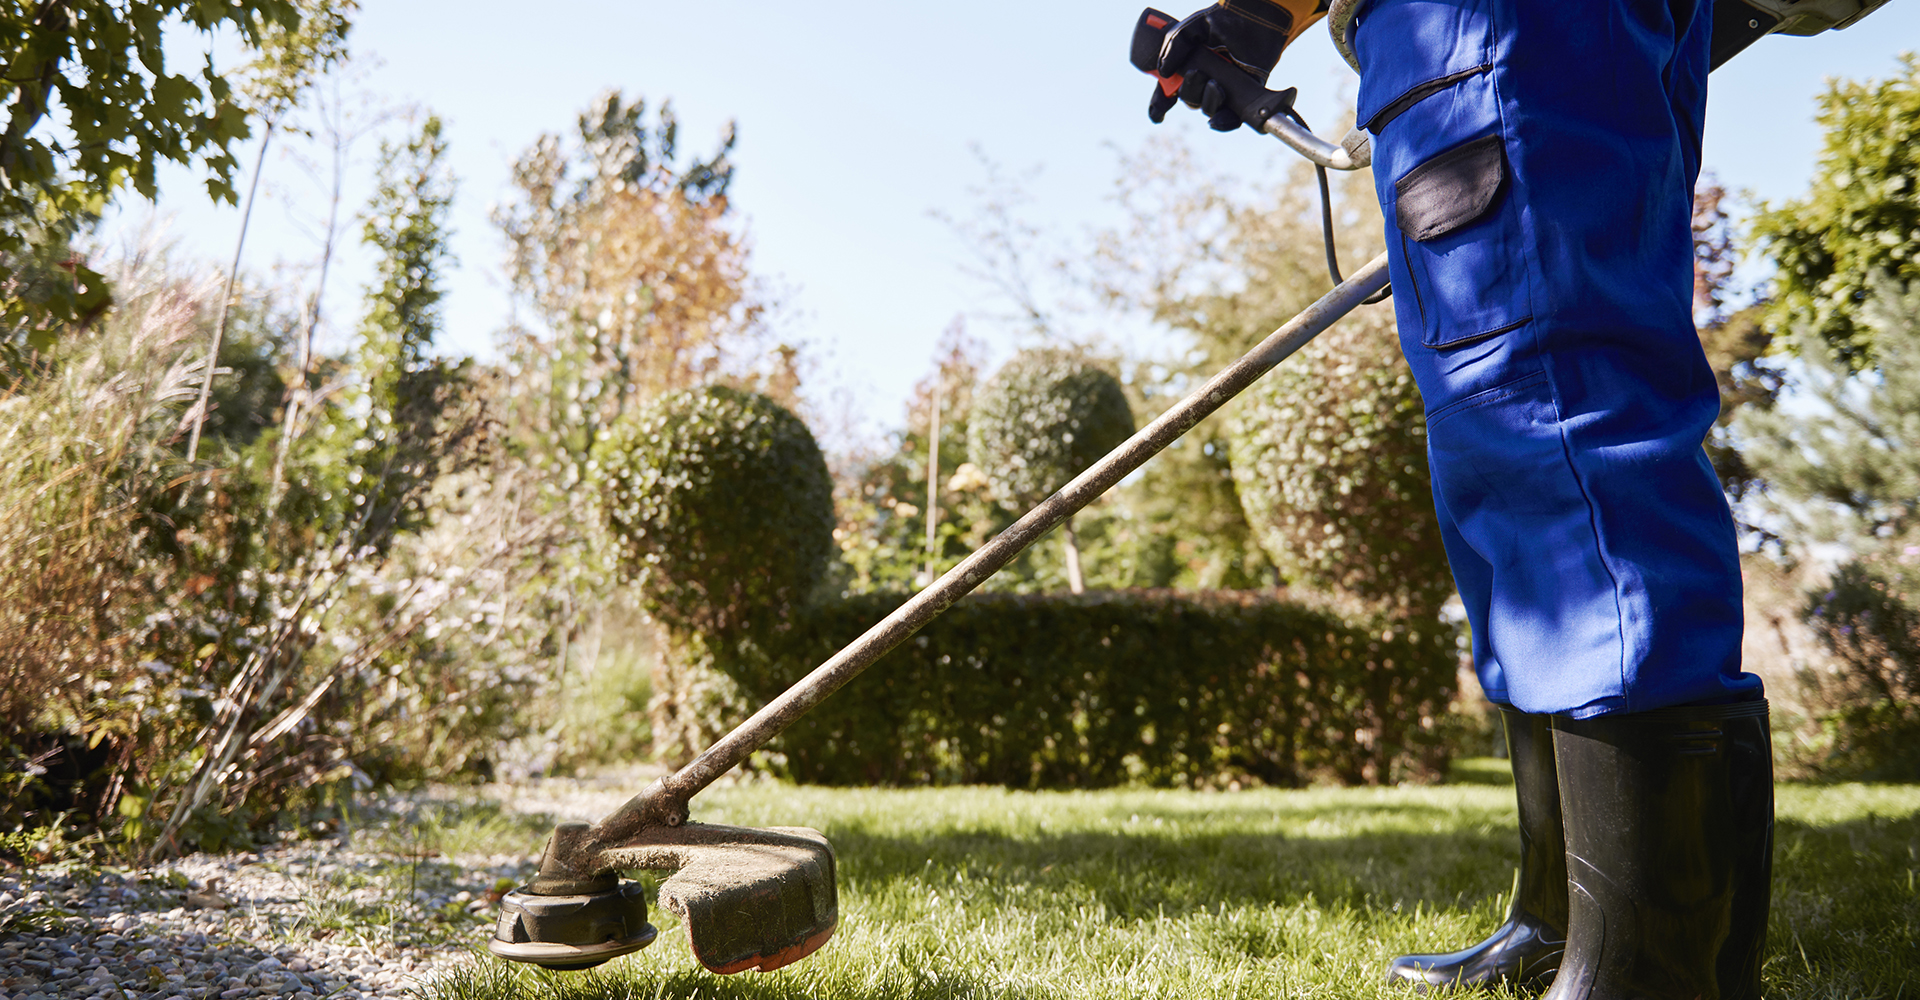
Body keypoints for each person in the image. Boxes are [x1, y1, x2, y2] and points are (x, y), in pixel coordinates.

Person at [1143, 1, 1775, 997]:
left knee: (1553, 424)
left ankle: (1650, 968)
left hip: (1490, 27)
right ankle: (1566, 920)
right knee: (1506, 476)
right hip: (1473, 41)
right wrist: (1259, 20)